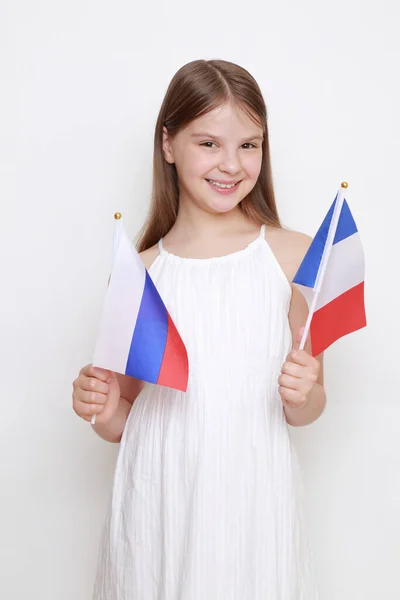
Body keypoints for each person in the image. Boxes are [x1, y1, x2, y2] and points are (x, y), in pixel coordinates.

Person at [72, 59, 326, 599]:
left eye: (249, 145)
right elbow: (122, 422)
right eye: (208, 143)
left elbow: (307, 407)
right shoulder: (137, 272)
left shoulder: (292, 257)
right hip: (159, 494)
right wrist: (100, 403)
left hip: (251, 492)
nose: (231, 164)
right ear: (168, 144)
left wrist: (305, 392)